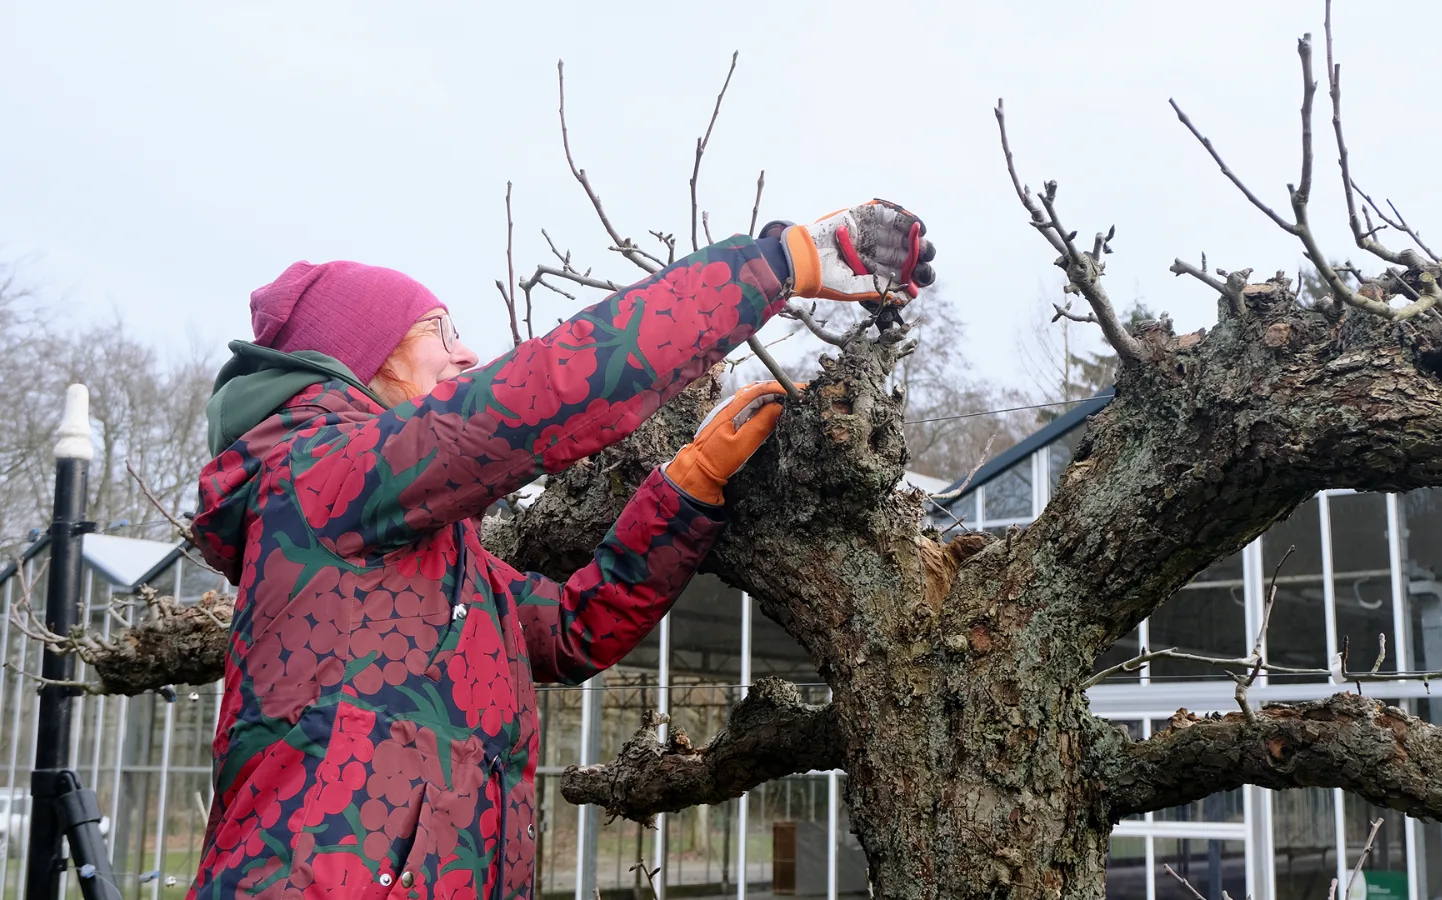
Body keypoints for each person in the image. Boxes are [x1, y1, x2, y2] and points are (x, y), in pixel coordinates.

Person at [186, 201, 934, 899]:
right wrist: (779, 264)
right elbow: (539, 393)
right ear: (363, 357)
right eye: (439, 331)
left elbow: (576, 628)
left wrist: (689, 485)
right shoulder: (315, 477)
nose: (465, 352)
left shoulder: (432, 561)